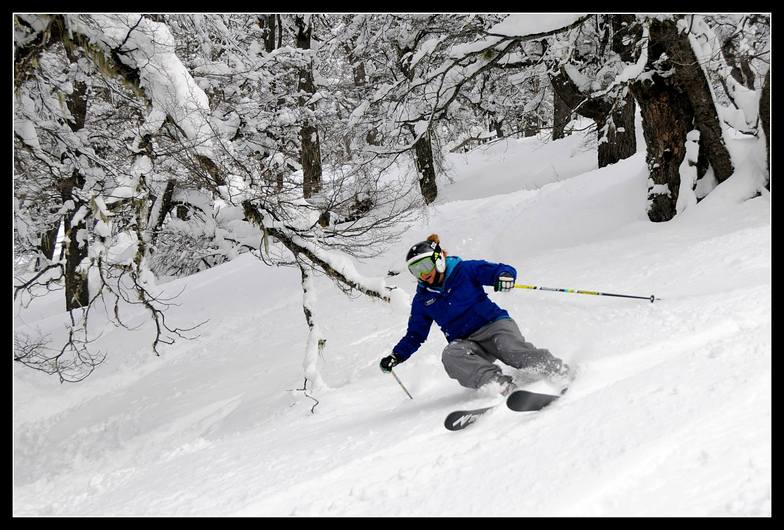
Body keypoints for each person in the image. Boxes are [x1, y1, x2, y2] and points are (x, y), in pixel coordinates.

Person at [380, 234, 571, 396]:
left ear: (438, 260)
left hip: (494, 325)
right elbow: (415, 335)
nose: (423, 275)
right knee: (451, 355)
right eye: (416, 271)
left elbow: (500, 270)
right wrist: (396, 356)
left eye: (425, 266)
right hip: (467, 342)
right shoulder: (422, 299)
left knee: (509, 348)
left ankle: (555, 369)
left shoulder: (465, 270)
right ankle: (501, 386)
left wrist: (503, 276)